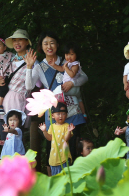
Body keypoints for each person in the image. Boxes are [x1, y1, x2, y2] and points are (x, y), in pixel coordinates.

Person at [26, 31, 89, 159]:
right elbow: (28, 86)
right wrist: (29, 66)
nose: (49, 46)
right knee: (53, 147)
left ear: (57, 45)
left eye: (52, 43)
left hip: (71, 108)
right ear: (41, 47)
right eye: (45, 43)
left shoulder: (67, 60)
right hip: (53, 112)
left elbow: (85, 78)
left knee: (73, 146)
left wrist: (72, 82)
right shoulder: (39, 66)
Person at [0, 29, 35, 146]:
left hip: (18, 102)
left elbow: (34, 85)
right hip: (3, 103)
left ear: (27, 42)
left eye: (20, 40)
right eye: (15, 40)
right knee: (4, 142)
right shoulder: (9, 60)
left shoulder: (34, 62)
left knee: (17, 142)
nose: (17, 43)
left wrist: (29, 67)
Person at [39, 103, 74, 176]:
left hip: (64, 156)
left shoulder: (67, 126)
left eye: (63, 114)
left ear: (66, 115)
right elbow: (49, 138)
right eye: (58, 114)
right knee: (56, 177)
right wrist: (44, 131)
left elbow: (66, 139)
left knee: (65, 177)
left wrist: (69, 131)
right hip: (54, 157)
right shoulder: (52, 126)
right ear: (52, 116)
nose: (61, 116)